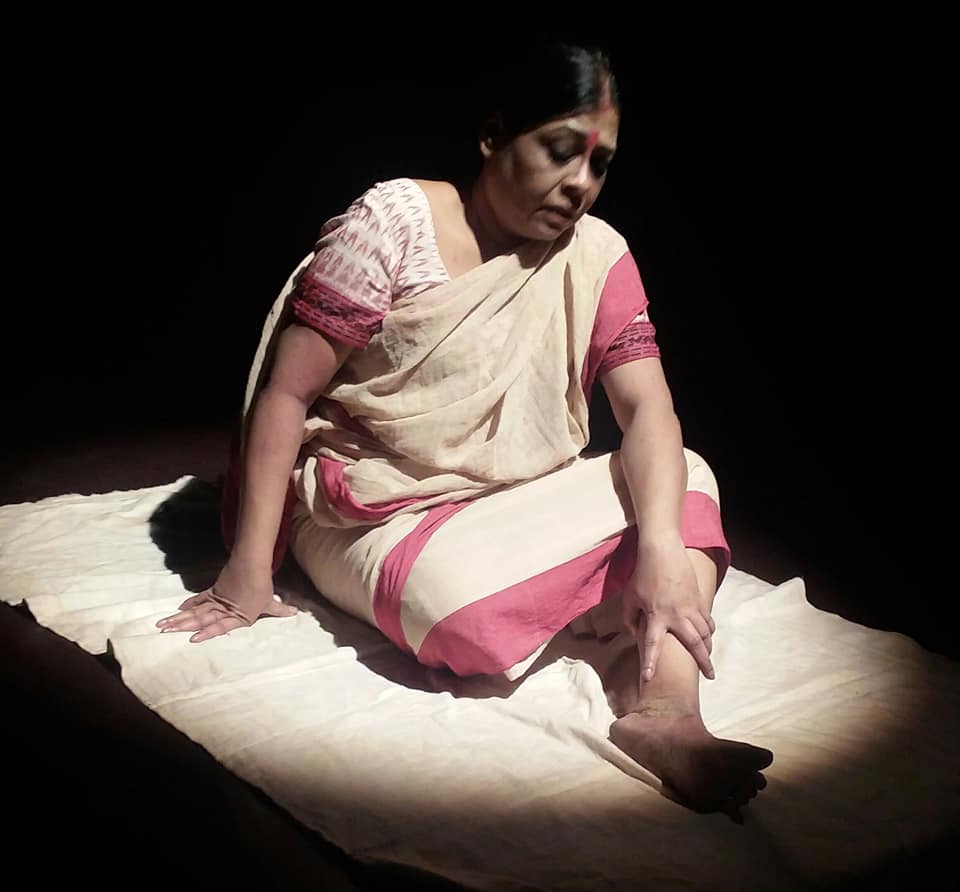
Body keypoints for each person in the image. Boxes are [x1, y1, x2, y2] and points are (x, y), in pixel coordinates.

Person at [156, 41, 773, 814]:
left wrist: (657, 549)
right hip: (374, 513)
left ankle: (667, 714)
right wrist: (249, 570)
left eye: (600, 164)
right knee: (456, 610)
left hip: (512, 498)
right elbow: (286, 392)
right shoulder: (394, 224)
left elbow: (648, 410)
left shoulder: (596, 254)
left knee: (684, 478)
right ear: (492, 136)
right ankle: (581, 597)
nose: (580, 183)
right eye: (560, 151)